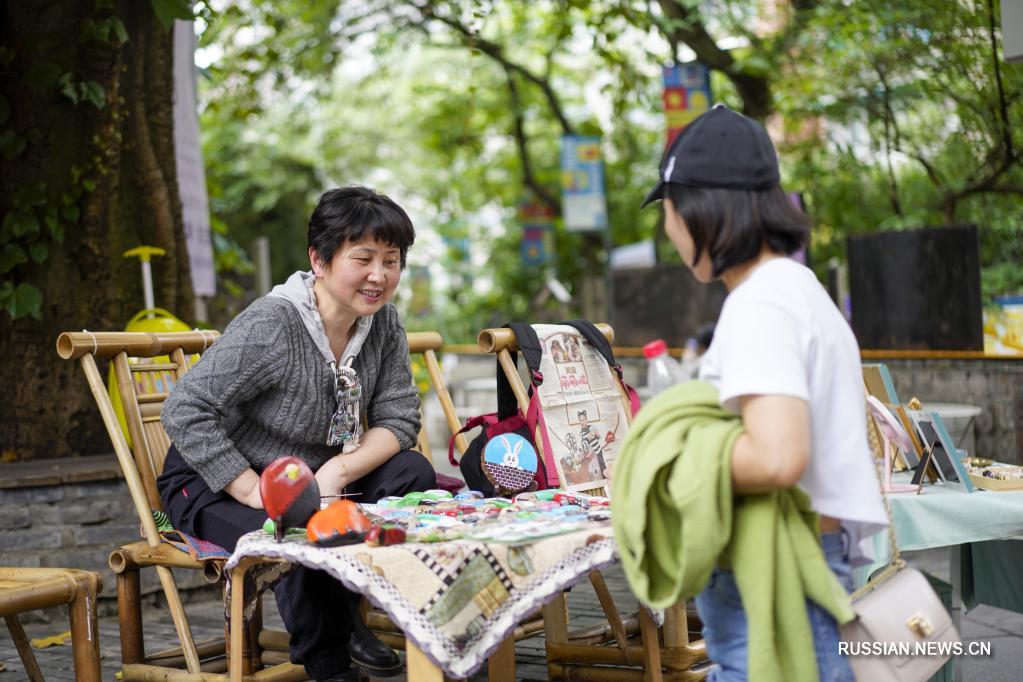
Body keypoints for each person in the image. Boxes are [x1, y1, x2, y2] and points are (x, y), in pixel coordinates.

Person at [640, 105, 886, 681]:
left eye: (668, 211)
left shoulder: (761, 302)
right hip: (802, 560)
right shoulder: (796, 286)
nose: (668, 230)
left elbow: (778, 456)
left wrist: (666, 464)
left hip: (778, 576)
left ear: (697, 210)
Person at [158, 186, 436, 682]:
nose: (379, 275)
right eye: (364, 258)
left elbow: (399, 420)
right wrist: (257, 491)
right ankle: (329, 665)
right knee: (298, 527)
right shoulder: (273, 325)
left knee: (411, 472)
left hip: (310, 477)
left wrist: (335, 472)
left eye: (391, 260)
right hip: (215, 479)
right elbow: (185, 408)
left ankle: (345, 610)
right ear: (320, 259)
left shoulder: (383, 323)